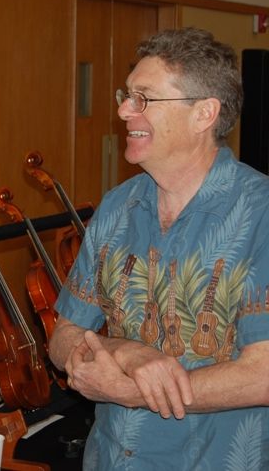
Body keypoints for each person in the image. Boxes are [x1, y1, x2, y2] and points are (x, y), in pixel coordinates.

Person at [49, 27, 269, 469]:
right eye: (126, 95)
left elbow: (263, 374)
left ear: (204, 113)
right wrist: (128, 353)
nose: (123, 110)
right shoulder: (115, 207)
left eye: (144, 98)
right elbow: (62, 338)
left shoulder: (259, 213)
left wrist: (130, 390)